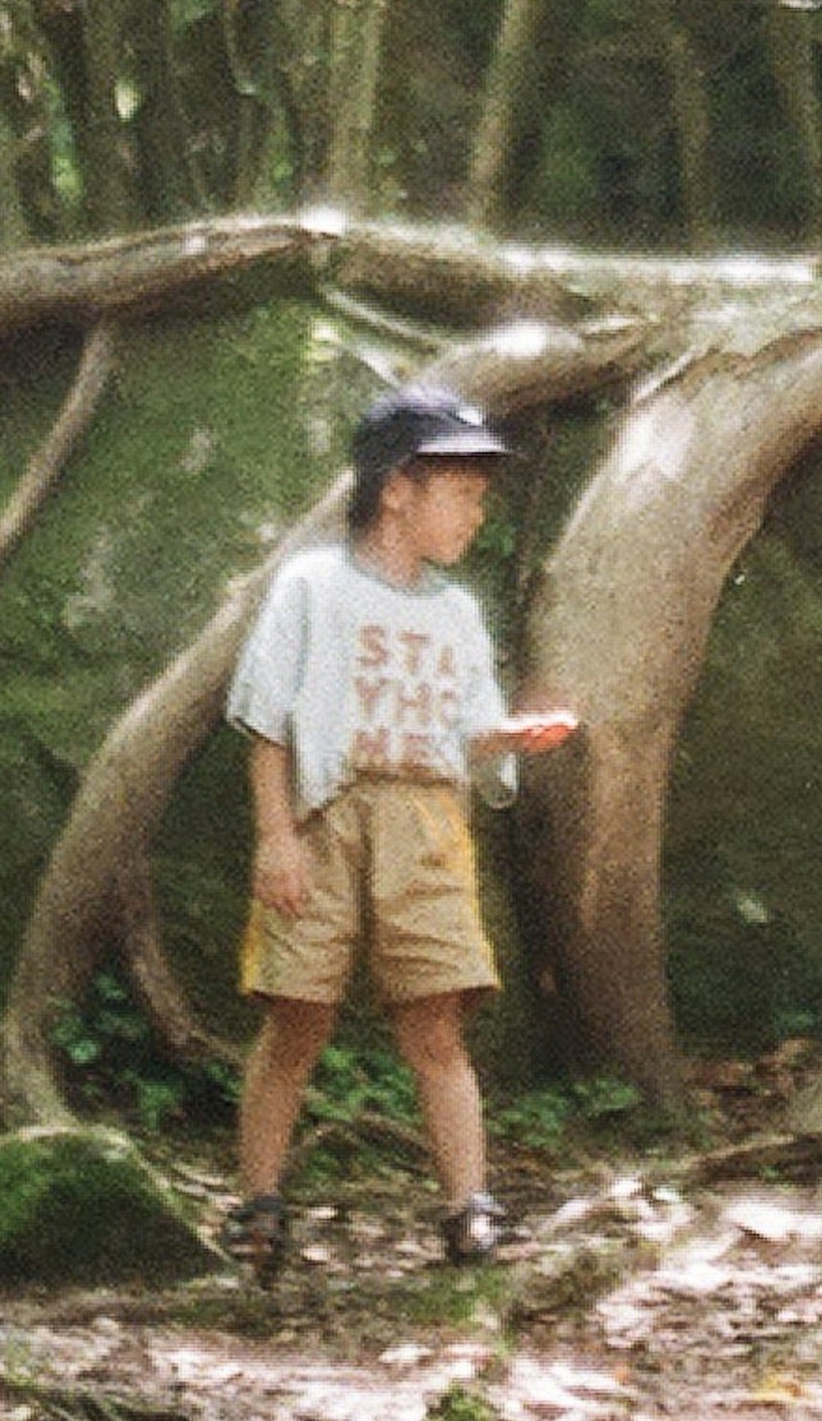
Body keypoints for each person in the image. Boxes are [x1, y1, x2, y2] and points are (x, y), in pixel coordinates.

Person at [218, 378, 579, 1279]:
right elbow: (267, 720)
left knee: (437, 1026)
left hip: (425, 823)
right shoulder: (313, 586)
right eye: (461, 493)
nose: (477, 513)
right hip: (327, 816)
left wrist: (511, 738)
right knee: (296, 1019)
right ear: (396, 491)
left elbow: (471, 726)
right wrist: (276, 837)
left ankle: (469, 1209)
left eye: (482, 496)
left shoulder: (456, 613)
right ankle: (259, 1205)